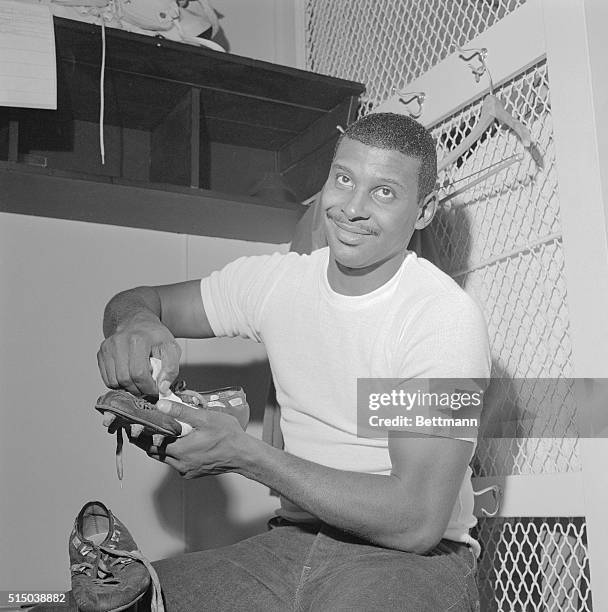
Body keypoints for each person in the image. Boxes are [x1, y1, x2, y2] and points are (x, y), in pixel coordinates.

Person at [87, 112, 492, 611]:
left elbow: (416, 520)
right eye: (343, 179)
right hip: (287, 547)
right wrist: (137, 326)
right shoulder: (279, 284)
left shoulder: (439, 316)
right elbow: (137, 300)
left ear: (424, 209)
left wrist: (245, 454)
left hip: (407, 562)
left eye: (383, 192)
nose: (352, 208)